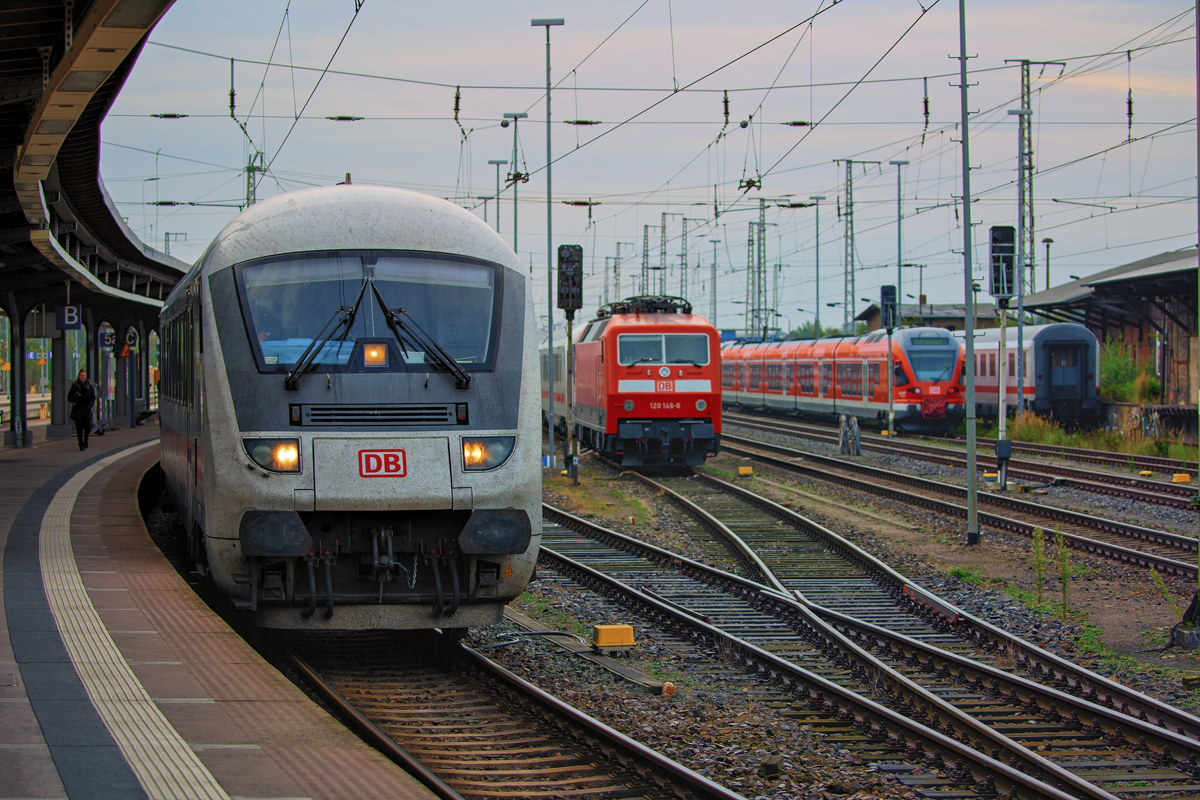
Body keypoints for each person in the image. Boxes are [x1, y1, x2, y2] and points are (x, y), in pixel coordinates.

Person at [67, 369, 96, 451]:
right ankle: (81, 444)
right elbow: (70, 396)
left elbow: (93, 397)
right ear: (79, 376)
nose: (83, 377)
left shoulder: (89, 386)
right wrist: (73, 402)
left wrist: (90, 404)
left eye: (84, 375)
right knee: (79, 429)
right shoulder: (75, 386)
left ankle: (86, 441)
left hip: (87, 409)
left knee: (87, 427)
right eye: (81, 375)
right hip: (78, 410)